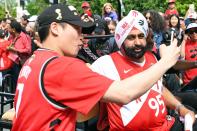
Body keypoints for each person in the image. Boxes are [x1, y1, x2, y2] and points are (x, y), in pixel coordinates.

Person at [12, 4, 181, 131]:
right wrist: (166, 62)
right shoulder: (61, 66)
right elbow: (125, 94)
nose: (82, 37)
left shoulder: (34, 60)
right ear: (55, 28)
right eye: (77, 29)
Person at [91, 10, 196, 131]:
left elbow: (159, 88)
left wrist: (180, 108)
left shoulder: (151, 57)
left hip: (167, 125)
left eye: (141, 36)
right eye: (131, 37)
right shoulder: (106, 63)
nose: (138, 42)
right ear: (121, 39)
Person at [180, 23, 197, 87]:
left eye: (196, 31)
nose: (194, 33)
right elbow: (182, 56)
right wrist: (184, 40)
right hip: (189, 81)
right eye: (191, 32)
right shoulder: (185, 44)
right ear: (188, 34)